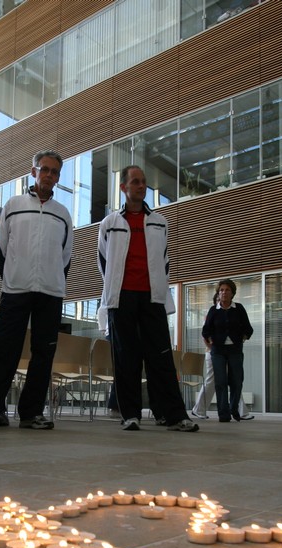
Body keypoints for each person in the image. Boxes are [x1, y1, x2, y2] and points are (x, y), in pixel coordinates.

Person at [0, 150, 73, 430]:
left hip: (50, 292)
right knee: (4, 351)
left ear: (58, 178)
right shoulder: (12, 206)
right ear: (33, 171)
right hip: (16, 290)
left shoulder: (63, 214)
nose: (49, 175)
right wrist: (14, 277)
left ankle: (31, 413)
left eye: (54, 172)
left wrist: (51, 280)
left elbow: (65, 256)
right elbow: (3, 248)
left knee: (43, 354)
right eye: (44, 169)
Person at [97, 165, 197, 432]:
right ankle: (130, 414)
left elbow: (164, 261)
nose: (141, 186)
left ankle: (174, 415)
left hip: (152, 298)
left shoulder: (160, 222)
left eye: (143, 182)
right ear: (124, 187)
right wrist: (116, 285)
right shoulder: (110, 223)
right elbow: (103, 260)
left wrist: (158, 287)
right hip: (122, 299)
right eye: (135, 182)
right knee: (126, 358)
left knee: (161, 357)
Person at [191, 291, 252, 420]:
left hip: (229, 350)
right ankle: (200, 409)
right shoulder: (212, 313)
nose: (222, 301)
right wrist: (213, 348)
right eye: (219, 300)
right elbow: (205, 335)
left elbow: (246, 328)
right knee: (215, 381)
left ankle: (240, 411)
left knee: (234, 380)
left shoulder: (235, 310)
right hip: (213, 352)